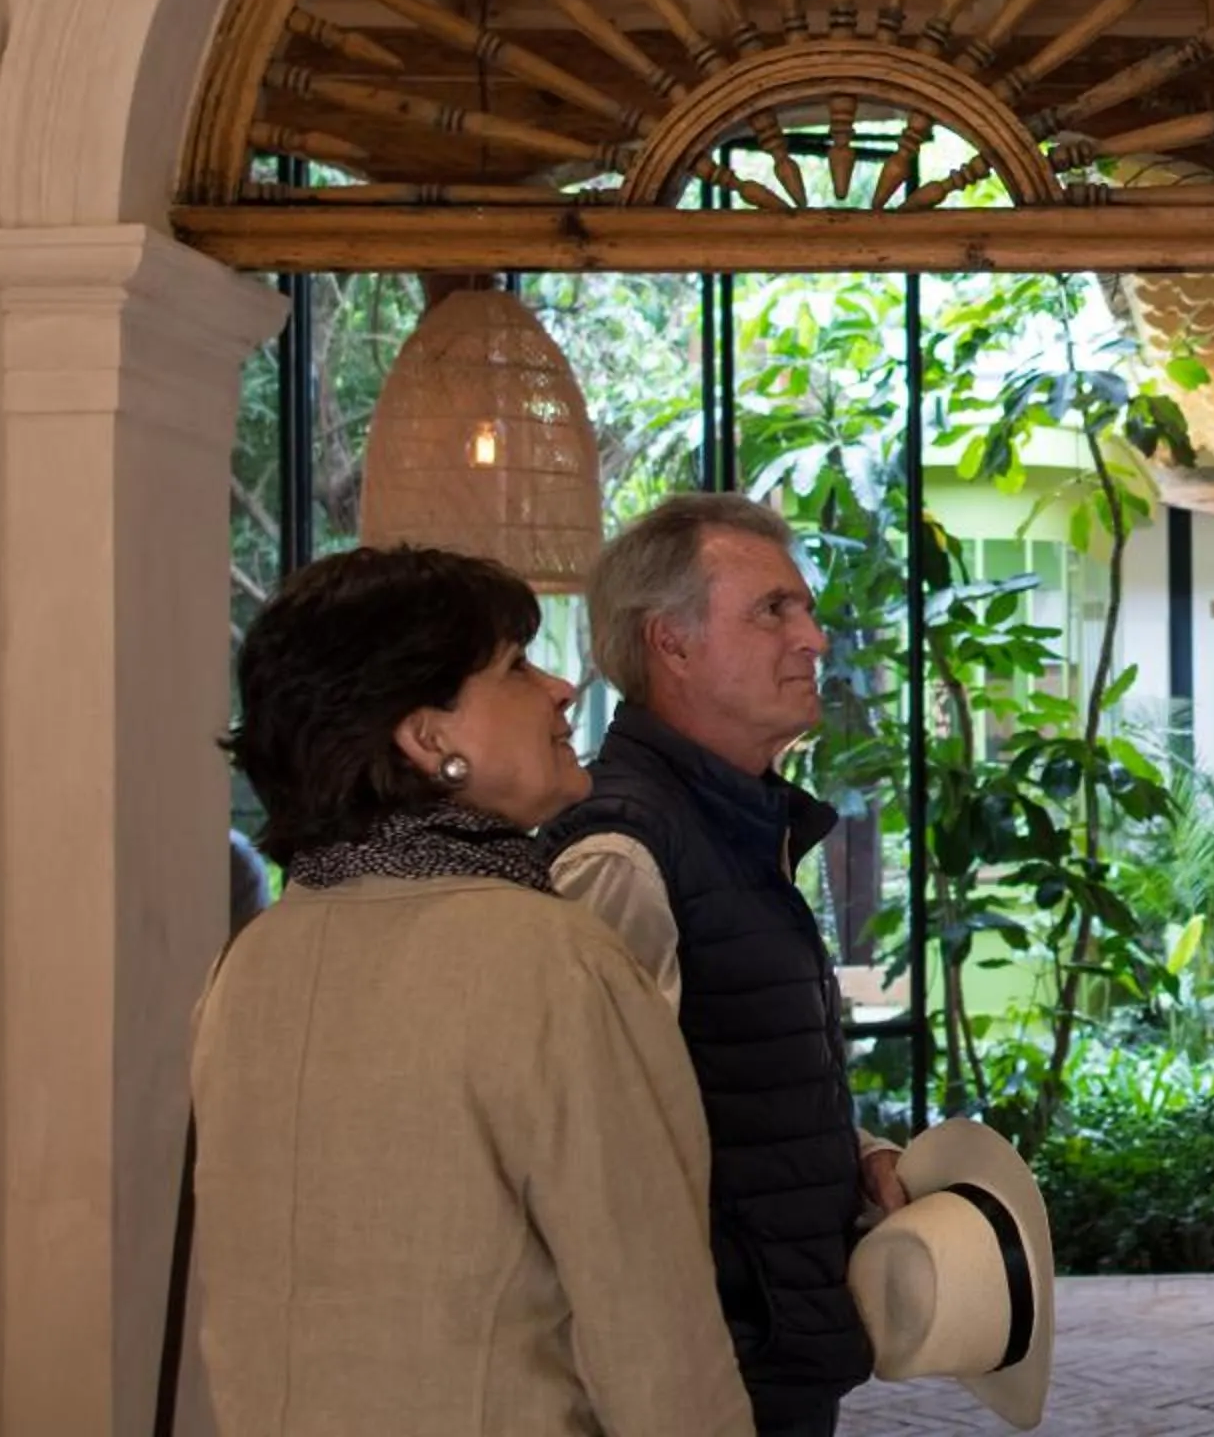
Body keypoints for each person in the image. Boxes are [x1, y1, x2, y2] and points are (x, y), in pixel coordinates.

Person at [193, 545, 753, 1437]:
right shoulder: (546, 954)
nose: (562, 689)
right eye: (515, 667)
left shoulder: (255, 958)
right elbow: (655, 1335)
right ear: (428, 737)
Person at [549, 492, 906, 1437]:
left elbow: (720, 1071)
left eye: (807, 610)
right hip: (704, 1368)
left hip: (768, 1346)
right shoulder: (621, 851)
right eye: (772, 611)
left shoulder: (735, 820)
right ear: (670, 643)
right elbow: (592, 1147)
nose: (815, 641)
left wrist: (851, 1154)